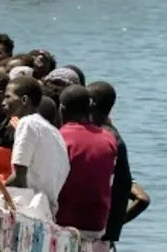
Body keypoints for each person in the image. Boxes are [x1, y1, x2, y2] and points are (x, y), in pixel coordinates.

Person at [89, 81, 150, 246]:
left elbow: (142, 198)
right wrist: (114, 226)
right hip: (103, 236)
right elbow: (141, 198)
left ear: (90, 103)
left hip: (92, 232)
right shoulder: (114, 136)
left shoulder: (102, 137)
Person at [56, 85, 118, 237]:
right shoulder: (109, 139)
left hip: (63, 222)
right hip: (96, 225)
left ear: (62, 109)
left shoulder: (60, 136)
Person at [4, 76, 70, 216]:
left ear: (24, 100)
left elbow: (19, 178)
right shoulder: (54, 131)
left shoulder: (27, 123)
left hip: (28, 208)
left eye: (8, 97)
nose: (3, 103)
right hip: (47, 209)